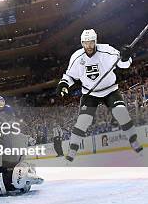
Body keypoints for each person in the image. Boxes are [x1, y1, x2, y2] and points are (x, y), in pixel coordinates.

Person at [56, 29, 141, 162]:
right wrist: (64, 84)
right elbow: (70, 76)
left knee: (121, 113)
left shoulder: (107, 51)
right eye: (85, 43)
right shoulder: (77, 57)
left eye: (91, 42)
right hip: (90, 94)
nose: (88, 46)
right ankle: (72, 150)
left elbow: (124, 64)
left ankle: (134, 142)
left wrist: (125, 57)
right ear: (82, 43)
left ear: (95, 41)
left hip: (110, 90)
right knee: (83, 121)